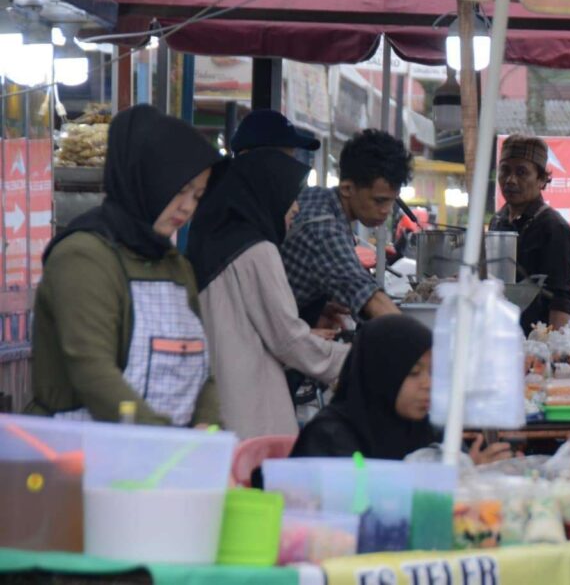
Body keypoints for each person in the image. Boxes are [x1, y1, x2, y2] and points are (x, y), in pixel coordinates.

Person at [28, 105, 220, 425]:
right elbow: (93, 372)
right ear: (148, 179)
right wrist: (161, 441)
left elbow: (203, 372)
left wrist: (206, 429)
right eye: (181, 190)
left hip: (166, 461)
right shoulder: (83, 257)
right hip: (79, 455)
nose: (187, 207)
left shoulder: (175, 266)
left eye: (198, 196)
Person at [187, 148, 349, 439]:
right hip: (249, 409)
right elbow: (287, 339)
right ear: (267, 192)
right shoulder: (258, 251)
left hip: (214, 400)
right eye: (290, 197)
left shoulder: (213, 242)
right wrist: (350, 360)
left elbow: (246, 324)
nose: (296, 208)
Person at [290, 315, 511, 464]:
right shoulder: (330, 439)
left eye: (433, 372)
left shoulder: (429, 430)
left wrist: (472, 476)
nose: (429, 384)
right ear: (382, 375)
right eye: (414, 372)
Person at [281, 129, 411, 326]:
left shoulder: (317, 197)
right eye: (379, 201)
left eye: (392, 201)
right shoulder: (324, 229)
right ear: (347, 188)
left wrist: (316, 308)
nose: (387, 211)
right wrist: (423, 350)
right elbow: (370, 297)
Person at [490, 135, 570, 334]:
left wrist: (553, 352)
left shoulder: (554, 228)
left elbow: (561, 299)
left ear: (541, 179)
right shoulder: (498, 221)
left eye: (522, 172)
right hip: (499, 335)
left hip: (535, 343)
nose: (510, 180)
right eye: (505, 170)